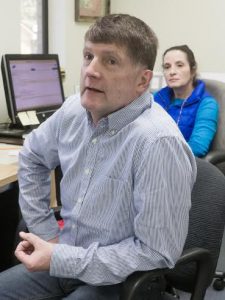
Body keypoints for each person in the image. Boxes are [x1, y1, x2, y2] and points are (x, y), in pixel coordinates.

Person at [0, 14, 196, 300]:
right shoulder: (73, 111)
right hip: (63, 258)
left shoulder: (157, 142)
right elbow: (32, 156)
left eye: (110, 61)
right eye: (88, 56)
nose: (91, 70)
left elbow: (155, 252)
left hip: (122, 280)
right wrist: (47, 235)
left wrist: (61, 258)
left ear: (142, 81)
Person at [154, 45, 219, 158]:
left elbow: (198, 148)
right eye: (167, 67)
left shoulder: (207, 104)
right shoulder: (156, 98)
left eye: (179, 65)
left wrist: (159, 155)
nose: (172, 72)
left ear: (193, 70)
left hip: (182, 166)